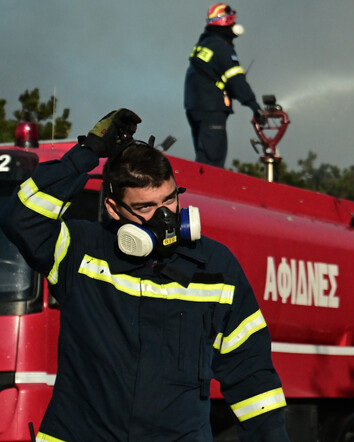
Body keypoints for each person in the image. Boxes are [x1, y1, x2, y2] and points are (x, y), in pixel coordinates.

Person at [0, 109, 290, 441]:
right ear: (113, 209)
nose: (164, 218)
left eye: (169, 200)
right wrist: (87, 153)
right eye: (146, 208)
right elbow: (21, 217)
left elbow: (251, 376)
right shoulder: (80, 252)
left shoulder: (215, 267)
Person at [184, 3, 266, 168]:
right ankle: (208, 191)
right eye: (232, 22)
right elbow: (236, 80)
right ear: (226, 22)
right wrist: (255, 107)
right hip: (212, 110)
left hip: (194, 107)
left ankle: (199, 189)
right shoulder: (222, 48)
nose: (234, 26)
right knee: (213, 161)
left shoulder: (203, 45)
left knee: (203, 156)